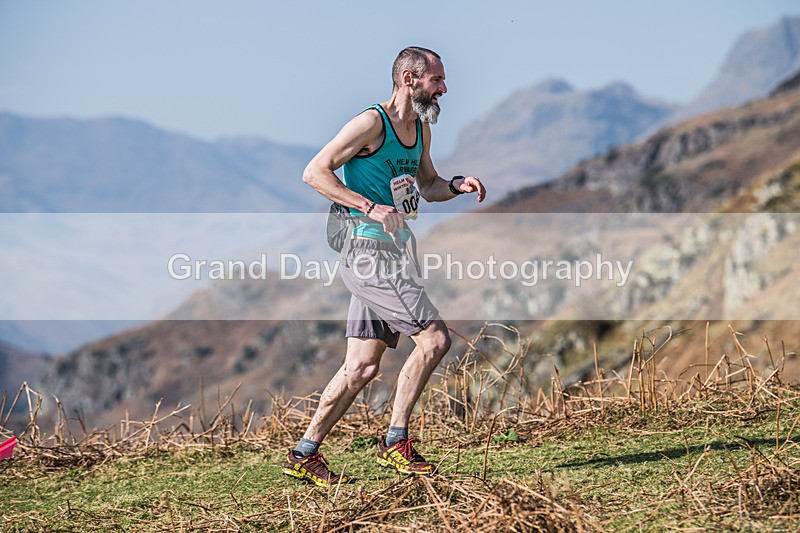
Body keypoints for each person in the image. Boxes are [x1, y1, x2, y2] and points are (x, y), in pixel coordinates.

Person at [283, 46, 486, 486]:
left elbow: (427, 184)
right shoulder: (371, 123)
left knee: (362, 366)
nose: (445, 88)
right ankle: (396, 444)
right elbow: (314, 172)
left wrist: (456, 185)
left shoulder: (420, 129)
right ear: (409, 80)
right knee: (434, 340)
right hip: (366, 253)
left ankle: (304, 453)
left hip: (394, 254)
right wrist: (368, 205)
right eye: (437, 80)